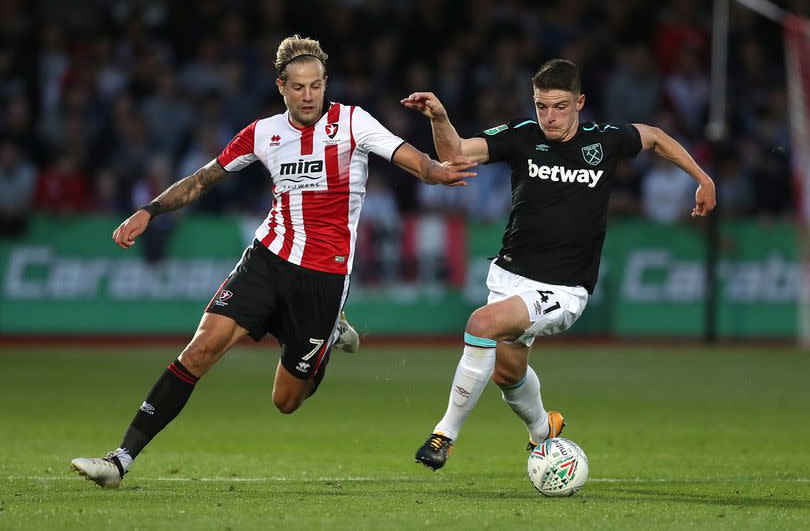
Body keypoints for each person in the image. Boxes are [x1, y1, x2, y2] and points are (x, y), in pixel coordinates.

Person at [71, 34, 476, 488]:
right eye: (298, 87)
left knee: (286, 401)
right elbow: (202, 179)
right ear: (281, 86)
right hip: (267, 258)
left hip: (324, 277)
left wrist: (435, 172)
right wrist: (150, 210)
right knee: (200, 349)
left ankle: (326, 341)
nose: (308, 96)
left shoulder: (353, 123)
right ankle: (121, 458)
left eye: (316, 86)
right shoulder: (262, 133)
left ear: (325, 84)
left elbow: (411, 158)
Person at [401, 58, 715, 470]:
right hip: (510, 275)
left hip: (564, 290)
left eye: (560, 106)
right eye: (542, 106)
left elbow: (655, 137)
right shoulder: (522, 136)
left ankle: (444, 434)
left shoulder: (602, 141)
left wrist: (702, 178)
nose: (549, 116)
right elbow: (455, 153)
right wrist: (439, 118)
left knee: (481, 324)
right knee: (507, 374)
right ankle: (543, 431)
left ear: (580, 102)